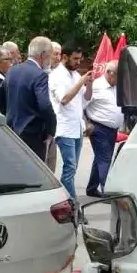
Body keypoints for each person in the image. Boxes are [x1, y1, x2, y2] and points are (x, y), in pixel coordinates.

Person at [49, 45, 93, 201]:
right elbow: (65, 99)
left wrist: (89, 84)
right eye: (75, 58)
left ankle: (68, 202)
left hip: (77, 128)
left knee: (72, 170)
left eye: (80, 59)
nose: (78, 62)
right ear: (64, 57)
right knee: (69, 169)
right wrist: (81, 82)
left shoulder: (75, 75)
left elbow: (85, 100)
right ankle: (72, 205)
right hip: (64, 128)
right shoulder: (56, 76)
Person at [5, 36, 57, 160]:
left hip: (11, 131)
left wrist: (9, 114)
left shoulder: (13, 70)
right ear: (43, 55)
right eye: (49, 56)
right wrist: (51, 129)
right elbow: (45, 105)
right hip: (33, 135)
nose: (49, 61)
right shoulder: (40, 75)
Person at [84, 61, 123, 197]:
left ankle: (92, 188)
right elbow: (82, 105)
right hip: (99, 128)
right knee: (105, 159)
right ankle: (107, 190)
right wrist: (86, 123)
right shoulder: (96, 86)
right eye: (119, 75)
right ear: (110, 73)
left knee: (100, 158)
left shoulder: (116, 86)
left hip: (112, 130)